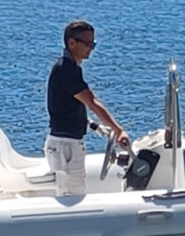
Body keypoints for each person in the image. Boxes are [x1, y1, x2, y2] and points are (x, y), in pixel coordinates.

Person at [45, 20, 129, 196]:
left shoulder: (70, 69)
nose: (91, 48)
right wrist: (118, 130)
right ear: (72, 43)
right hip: (66, 148)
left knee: (72, 193)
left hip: (66, 144)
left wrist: (96, 127)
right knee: (72, 197)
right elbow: (92, 103)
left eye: (93, 44)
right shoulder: (66, 70)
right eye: (87, 43)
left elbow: (70, 107)